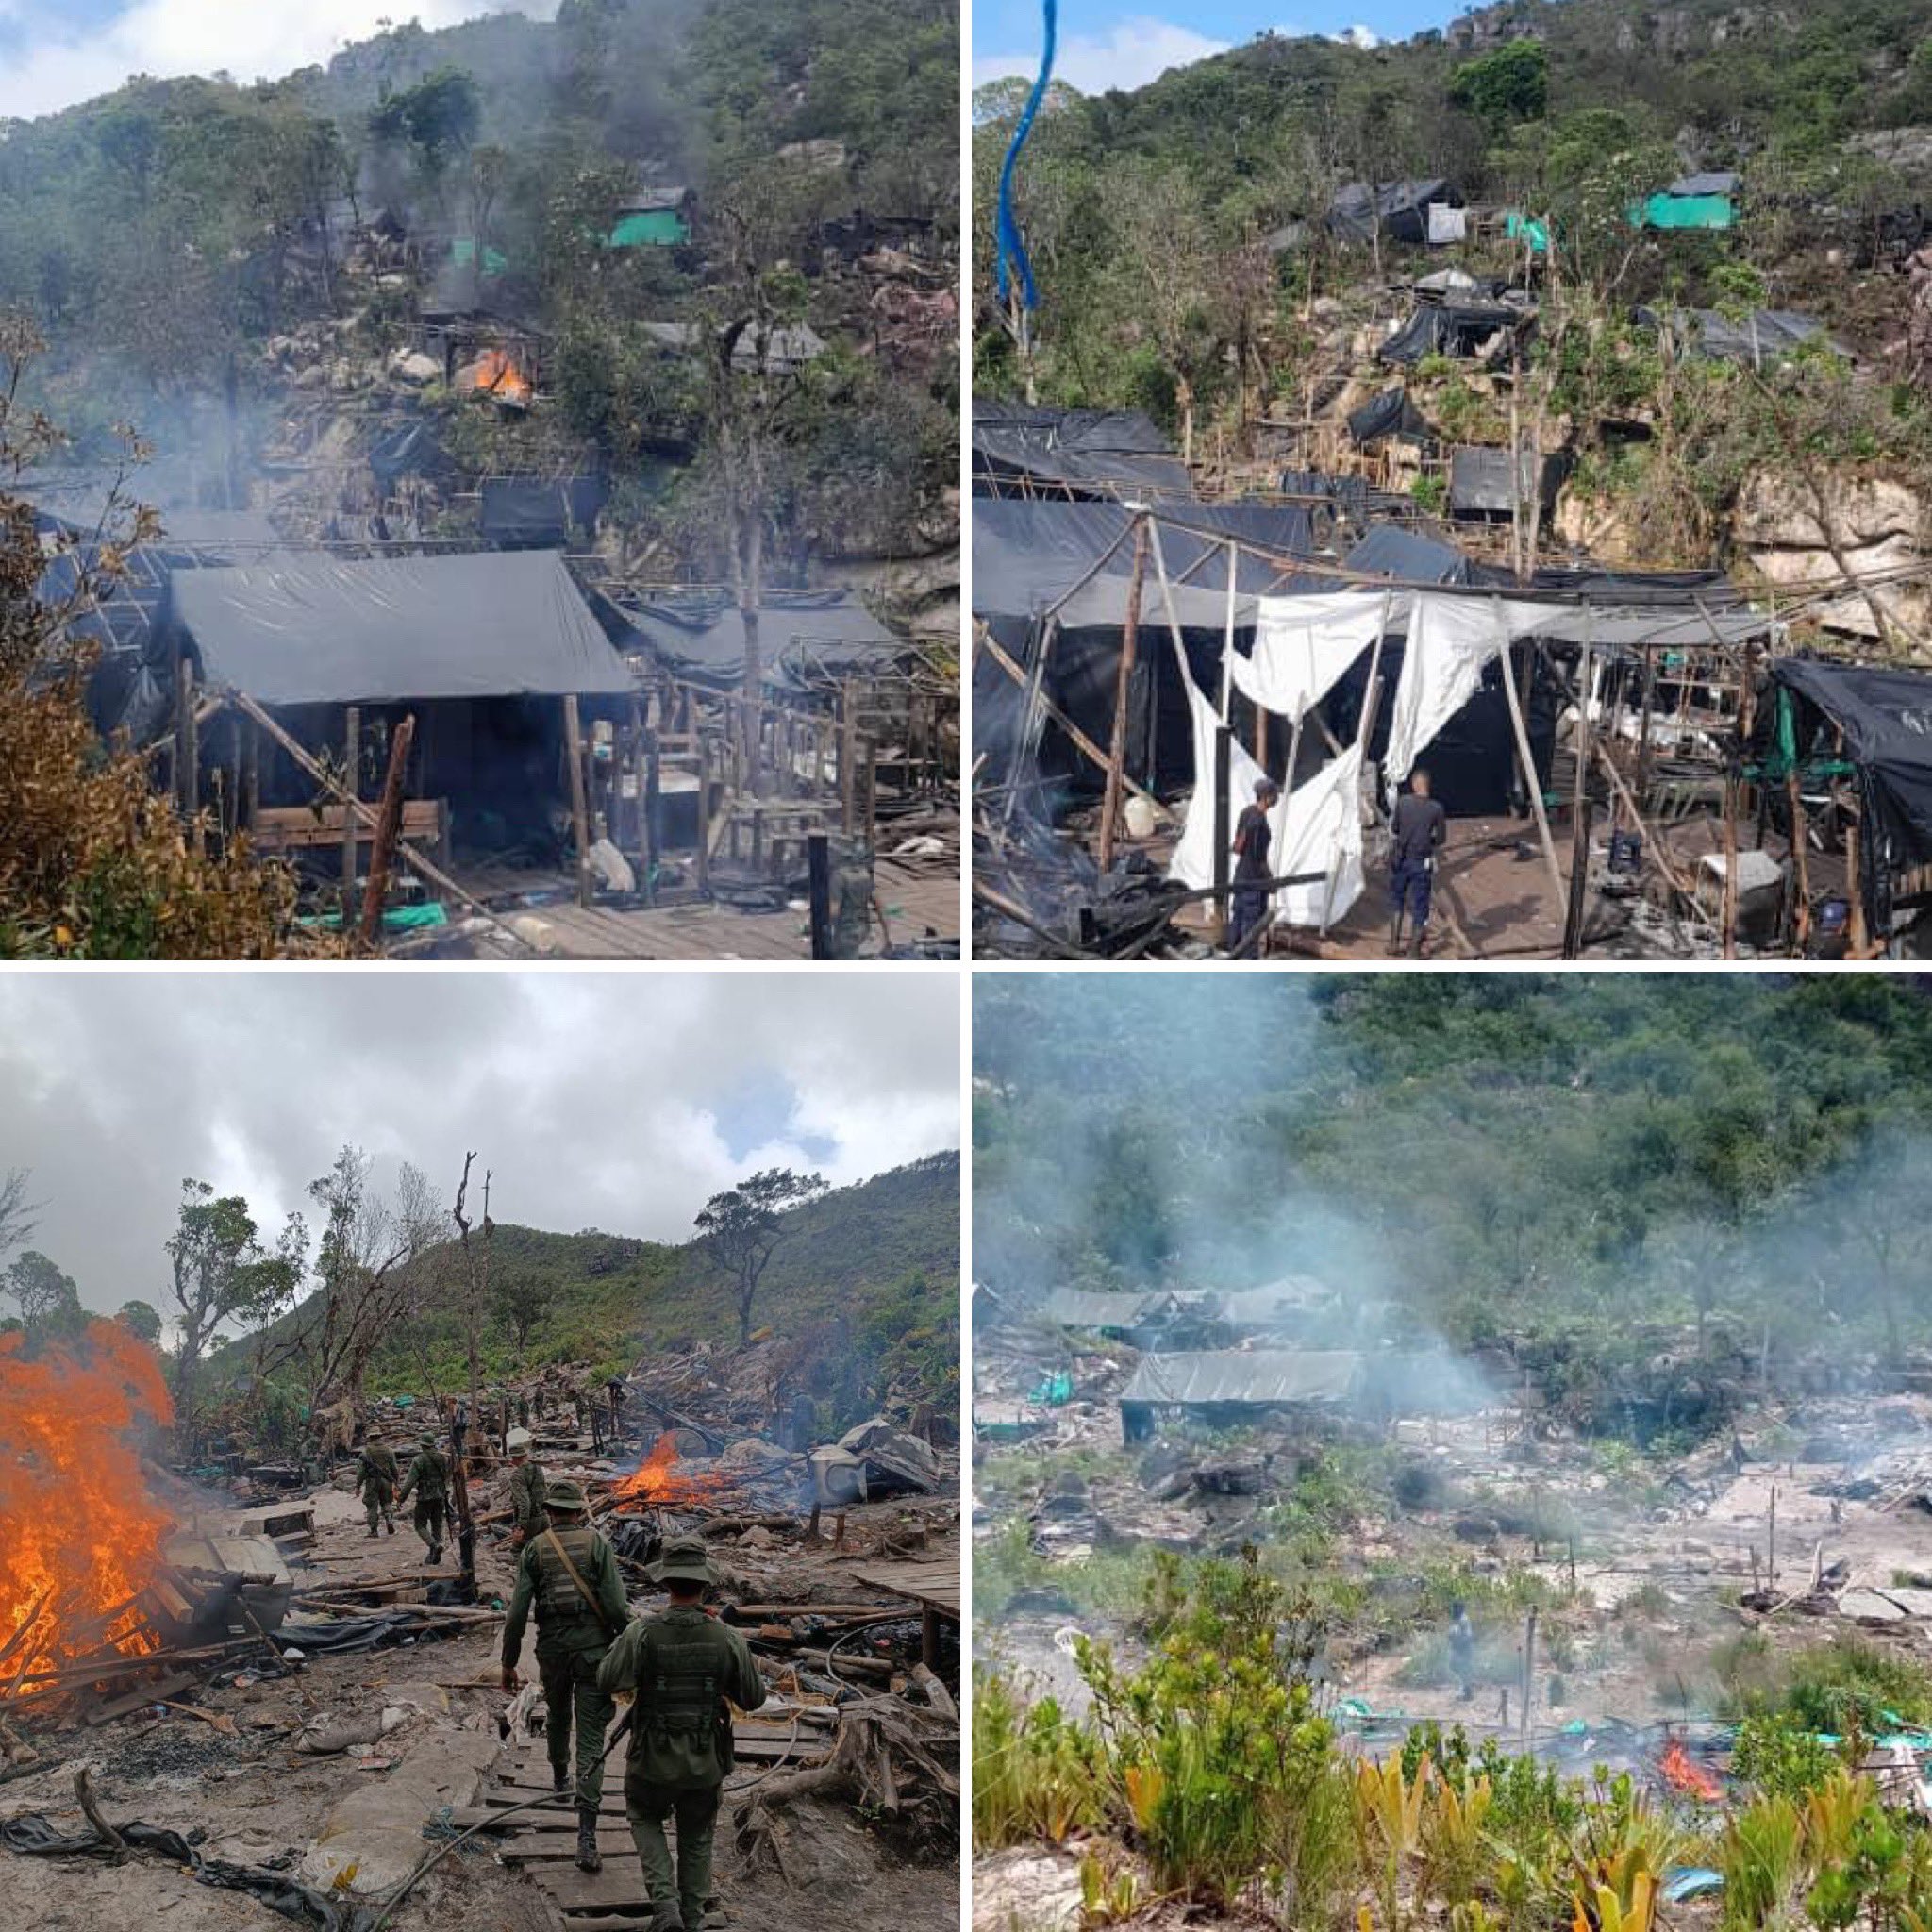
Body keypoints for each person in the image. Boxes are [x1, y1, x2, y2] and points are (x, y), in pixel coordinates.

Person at [598, 1536, 766, 1932]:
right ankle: (691, 1919)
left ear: (666, 1582)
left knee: (643, 1817)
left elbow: (606, 1678)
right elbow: (754, 1698)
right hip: (705, 1759)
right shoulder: (727, 1637)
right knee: (697, 1836)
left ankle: (665, 1907)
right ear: (704, 1584)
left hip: (651, 1758)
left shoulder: (642, 1632)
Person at [503, 1476, 629, 1873]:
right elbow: (615, 1605)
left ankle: (560, 1779)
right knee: (592, 1736)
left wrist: (508, 1662)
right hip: (593, 1654)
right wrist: (627, 1643)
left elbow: (518, 1610)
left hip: (553, 1650)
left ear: (550, 1512)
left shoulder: (534, 1550)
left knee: (558, 1716)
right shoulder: (597, 1545)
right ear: (578, 1510)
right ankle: (587, 1836)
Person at [1389, 768, 1448, 956]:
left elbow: (1395, 828)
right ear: (1428, 785)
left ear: (1415, 784)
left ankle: (1393, 943)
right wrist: (1426, 840)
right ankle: (1413, 951)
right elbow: (1441, 839)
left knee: (1397, 899)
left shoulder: (1403, 802)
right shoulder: (1436, 808)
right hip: (1421, 862)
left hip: (1401, 859)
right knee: (1420, 905)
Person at [1228, 776, 1280, 956]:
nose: (1277, 797)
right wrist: (1271, 881)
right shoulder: (1261, 826)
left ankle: (1231, 956)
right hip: (1254, 882)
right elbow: (1261, 860)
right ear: (1266, 797)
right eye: (1274, 794)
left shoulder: (1246, 812)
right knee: (1251, 927)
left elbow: (1238, 846)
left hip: (1240, 876)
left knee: (1237, 918)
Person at [396, 1429, 451, 1564]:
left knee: (420, 1525)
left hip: (425, 1497)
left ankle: (434, 1546)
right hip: (440, 1495)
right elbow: (447, 1476)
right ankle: (434, 1555)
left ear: (422, 1445)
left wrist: (401, 1499)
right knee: (437, 1525)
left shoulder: (419, 1460)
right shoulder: (442, 1457)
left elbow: (409, 1482)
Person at [506, 1426, 549, 1549]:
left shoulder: (517, 1476)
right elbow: (545, 1493)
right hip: (544, 1518)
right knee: (543, 1550)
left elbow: (524, 1503)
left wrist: (521, 1526)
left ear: (514, 1458)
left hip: (531, 1521)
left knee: (519, 1551)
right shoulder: (538, 1469)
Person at [354, 1433, 399, 1538]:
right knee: (387, 1501)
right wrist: (396, 1481)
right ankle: (389, 1518)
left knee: (371, 1506)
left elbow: (362, 1471)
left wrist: (358, 1486)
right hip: (387, 1481)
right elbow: (394, 1468)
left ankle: (374, 1530)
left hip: (372, 1482)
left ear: (370, 1438)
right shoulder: (389, 1450)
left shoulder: (366, 1451)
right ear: (380, 1437)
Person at [1447, 1600, 1476, 1703]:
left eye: (1455, 1609)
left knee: (1463, 1670)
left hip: (1464, 1649)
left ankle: (1468, 1694)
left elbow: (1468, 1636)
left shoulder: (1463, 1620)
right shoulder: (1459, 1619)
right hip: (1460, 1649)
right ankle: (1466, 1692)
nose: (1453, 1611)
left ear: (1460, 1609)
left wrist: (1459, 1645)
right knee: (1457, 1668)